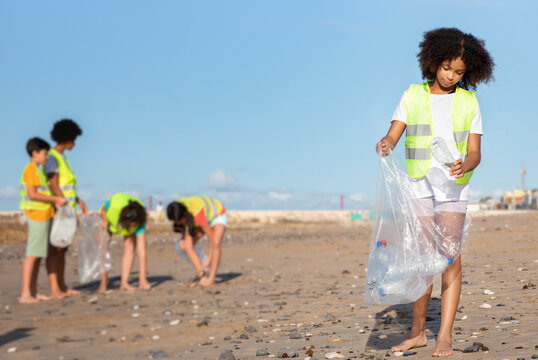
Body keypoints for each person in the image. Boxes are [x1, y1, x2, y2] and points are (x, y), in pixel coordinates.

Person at [376, 28, 494, 357]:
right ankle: (417, 333)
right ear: (432, 62)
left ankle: (444, 335)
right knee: (422, 259)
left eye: (459, 72)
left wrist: (467, 164)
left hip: (453, 189)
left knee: (450, 257)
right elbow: (393, 135)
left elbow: (475, 152)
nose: (451, 76)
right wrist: (385, 144)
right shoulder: (412, 95)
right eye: (446, 68)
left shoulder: (470, 101)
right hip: (417, 183)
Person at [19, 137, 67, 303]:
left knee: (38, 254)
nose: (47, 157)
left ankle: (33, 291)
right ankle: (26, 293)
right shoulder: (31, 169)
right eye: (45, 154)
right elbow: (32, 194)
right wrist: (55, 200)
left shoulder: (38, 170)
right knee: (32, 254)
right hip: (36, 215)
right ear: (35, 153)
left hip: (44, 215)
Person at [45, 118, 87, 297]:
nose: (75, 143)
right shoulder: (52, 157)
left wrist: (78, 200)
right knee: (54, 248)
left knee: (63, 247)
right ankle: (55, 288)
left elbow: (67, 184)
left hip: (68, 206)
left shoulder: (63, 158)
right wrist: (63, 206)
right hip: (59, 208)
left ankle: (62, 286)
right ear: (66, 138)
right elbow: (53, 183)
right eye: (73, 139)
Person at [167, 196, 227, 287]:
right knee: (186, 245)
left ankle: (211, 279)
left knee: (216, 243)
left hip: (217, 214)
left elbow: (212, 237)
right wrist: (183, 238)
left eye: (178, 221)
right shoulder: (176, 208)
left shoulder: (196, 214)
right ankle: (202, 276)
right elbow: (185, 225)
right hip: (202, 218)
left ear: (184, 215)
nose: (177, 223)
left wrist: (209, 259)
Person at [98, 193, 151, 292]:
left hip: (126, 220)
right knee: (103, 249)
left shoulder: (140, 218)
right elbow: (105, 207)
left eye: (134, 225)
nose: (132, 227)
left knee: (130, 248)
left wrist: (143, 279)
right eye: (130, 225)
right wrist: (104, 223)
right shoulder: (113, 208)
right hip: (109, 220)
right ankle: (104, 282)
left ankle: (124, 283)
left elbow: (142, 250)